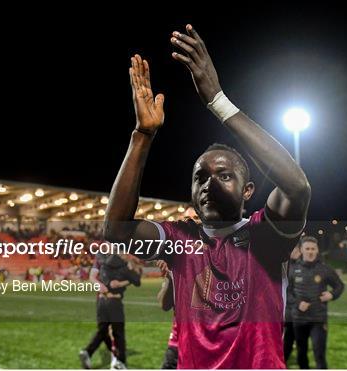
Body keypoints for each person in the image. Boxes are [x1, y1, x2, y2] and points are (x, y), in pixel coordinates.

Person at [103, 24, 311, 369]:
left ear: (248, 192)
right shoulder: (180, 239)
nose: (209, 184)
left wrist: (218, 101)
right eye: (200, 177)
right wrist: (142, 136)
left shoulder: (266, 236)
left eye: (224, 175)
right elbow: (116, 230)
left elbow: (297, 187)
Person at [289, 236, 344, 369]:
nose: (310, 251)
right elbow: (287, 292)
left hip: (318, 319)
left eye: (313, 248)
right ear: (301, 250)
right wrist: (298, 303)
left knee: (319, 355)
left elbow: (339, 286)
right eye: (307, 248)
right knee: (301, 354)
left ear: (317, 250)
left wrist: (332, 294)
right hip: (298, 319)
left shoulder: (325, 269)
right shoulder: (292, 269)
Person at [79, 254, 142, 369]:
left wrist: (112, 284)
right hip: (114, 301)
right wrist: (131, 268)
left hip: (101, 300)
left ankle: (88, 352)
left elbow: (95, 278)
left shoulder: (102, 264)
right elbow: (136, 280)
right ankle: (119, 361)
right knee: (118, 333)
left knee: (103, 331)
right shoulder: (123, 266)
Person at [156, 260, 178, 369]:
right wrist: (170, 276)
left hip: (210, 343)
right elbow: (164, 305)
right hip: (178, 344)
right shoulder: (178, 265)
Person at [283, 244, 302, 362]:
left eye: (296, 249)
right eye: (293, 249)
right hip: (285, 303)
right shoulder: (285, 263)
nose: (294, 252)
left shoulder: (301, 265)